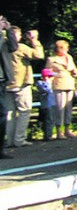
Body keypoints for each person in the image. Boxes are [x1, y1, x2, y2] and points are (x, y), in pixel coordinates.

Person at [5, 27, 44, 147]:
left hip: (6, 84)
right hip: (21, 84)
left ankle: (9, 140)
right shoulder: (20, 47)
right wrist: (34, 40)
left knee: (9, 113)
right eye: (19, 34)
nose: (21, 37)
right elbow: (39, 55)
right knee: (24, 111)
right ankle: (19, 139)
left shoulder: (3, 47)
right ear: (15, 35)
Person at [45, 39, 77, 140]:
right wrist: (53, 75)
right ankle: (59, 131)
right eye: (63, 48)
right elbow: (46, 72)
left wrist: (75, 72)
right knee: (60, 109)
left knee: (68, 108)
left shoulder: (69, 57)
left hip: (70, 84)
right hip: (59, 85)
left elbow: (75, 69)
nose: (66, 50)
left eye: (66, 48)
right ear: (58, 49)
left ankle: (67, 129)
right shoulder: (51, 60)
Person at [0, 16, 18, 159]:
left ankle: (0, 149)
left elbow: (13, 47)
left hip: (1, 81)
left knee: (2, 114)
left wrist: (9, 30)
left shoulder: (3, 37)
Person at [35, 68, 56, 141]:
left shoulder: (49, 84)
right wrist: (47, 83)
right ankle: (47, 136)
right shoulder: (41, 83)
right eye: (50, 77)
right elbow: (47, 90)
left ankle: (49, 134)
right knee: (48, 120)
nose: (51, 78)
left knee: (52, 120)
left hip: (52, 104)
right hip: (46, 105)